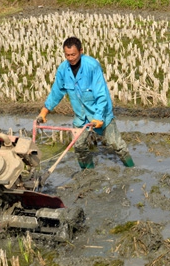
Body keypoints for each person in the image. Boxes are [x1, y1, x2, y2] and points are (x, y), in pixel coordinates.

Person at [37, 37, 135, 169]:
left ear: (81, 51)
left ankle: (132, 168)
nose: (70, 58)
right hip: (81, 116)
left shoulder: (92, 66)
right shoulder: (63, 70)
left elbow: (101, 94)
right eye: (67, 55)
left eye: (73, 54)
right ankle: (88, 172)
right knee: (79, 146)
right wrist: (44, 111)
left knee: (116, 144)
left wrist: (99, 117)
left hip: (100, 113)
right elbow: (57, 92)